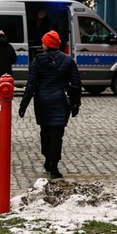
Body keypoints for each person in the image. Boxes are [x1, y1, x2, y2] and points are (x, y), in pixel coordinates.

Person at [18, 30, 81, 179]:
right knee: (57, 134)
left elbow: (31, 85)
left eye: (43, 42)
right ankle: (54, 166)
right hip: (60, 100)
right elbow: (76, 84)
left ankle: (47, 158)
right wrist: (76, 104)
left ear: (46, 44)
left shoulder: (38, 60)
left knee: (45, 131)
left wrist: (23, 105)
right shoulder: (68, 61)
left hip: (43, 100)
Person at [0, 30, 17, 117]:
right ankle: (3, 110)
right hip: (7, 73)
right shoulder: (9, 47)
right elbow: (14, 59)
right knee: (5, 92)